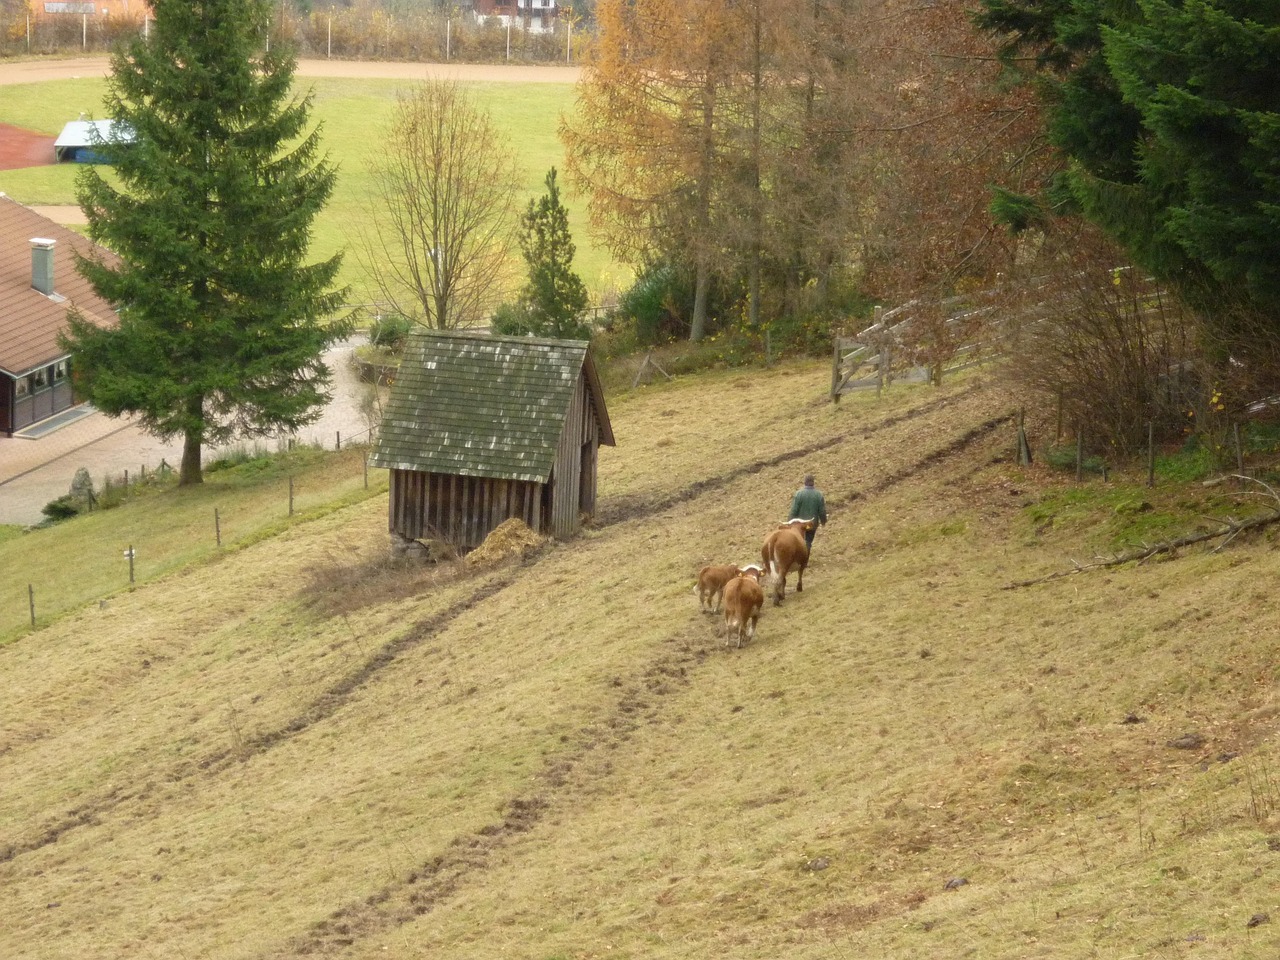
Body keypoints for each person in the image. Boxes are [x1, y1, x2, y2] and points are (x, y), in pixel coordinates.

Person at [788, 474, 828, 555]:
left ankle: (799, 557)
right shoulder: (819, 495)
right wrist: (823, 521)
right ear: (813, 482)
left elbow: (794, 510)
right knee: (808, 540)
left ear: (805, 482)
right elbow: (822, 511)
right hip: (811, 524)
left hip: (799, 525)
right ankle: (805, 557)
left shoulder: (799, 494)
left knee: (799, 539)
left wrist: (790, 521)